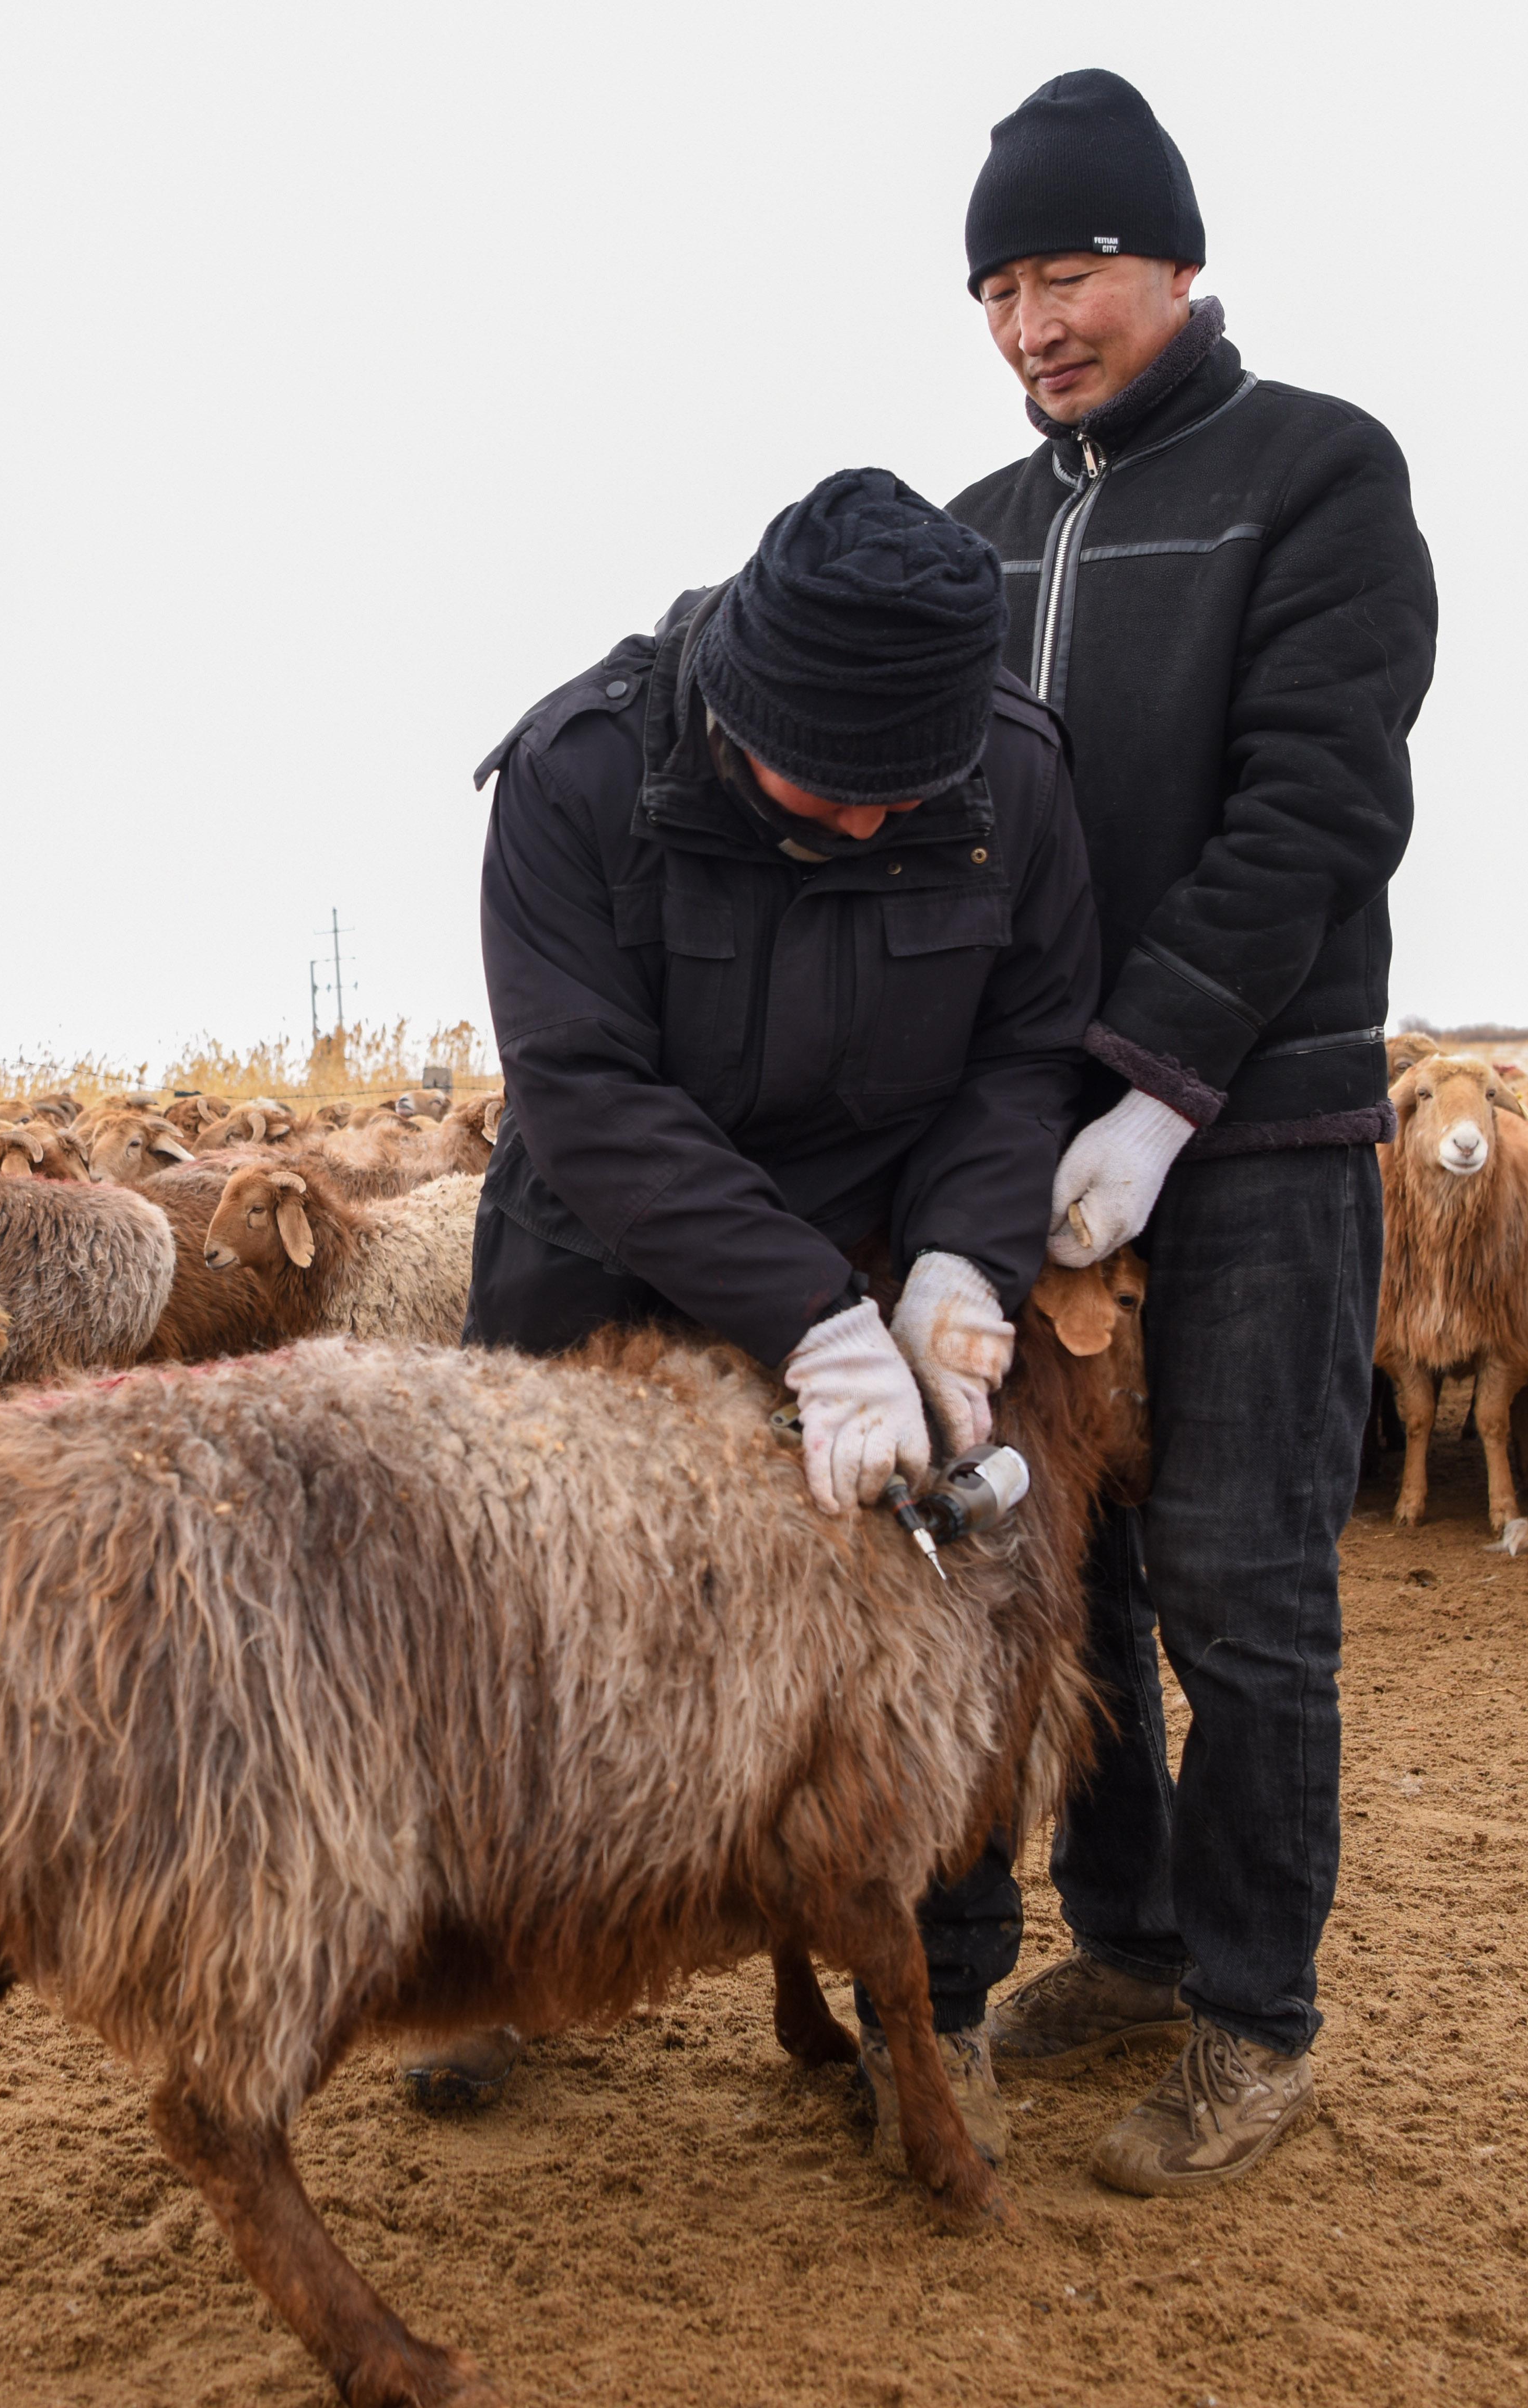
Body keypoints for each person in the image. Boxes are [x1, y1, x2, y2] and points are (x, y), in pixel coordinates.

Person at [433, 466, 1098, 2152]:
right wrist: (806, 1314)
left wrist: (957, 1263)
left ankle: (922, 1999)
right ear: (737, 703)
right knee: (553, 1629)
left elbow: (1023, 1047)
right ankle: (507, 1953)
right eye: (831, 787)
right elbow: (581, 1086)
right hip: (609, 1244)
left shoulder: (1011, 775)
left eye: (905, 792)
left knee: (915, 1625)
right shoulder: (581, 773)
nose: (871, 825)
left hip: (886, 1235)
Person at [939, 70, 1433, 2196]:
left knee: (1240, 1581)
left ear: (1175, 261)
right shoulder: (973, 531)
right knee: (1078, 1584)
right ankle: (1129, 1943)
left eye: (1073, 272)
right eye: (1000, 286)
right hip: (1030, 1153)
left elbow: (1317, 803)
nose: (1039, 321)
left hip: (1258, 1132)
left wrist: (1159, 1083)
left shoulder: (1310, 474)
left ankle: (1253, 2019)